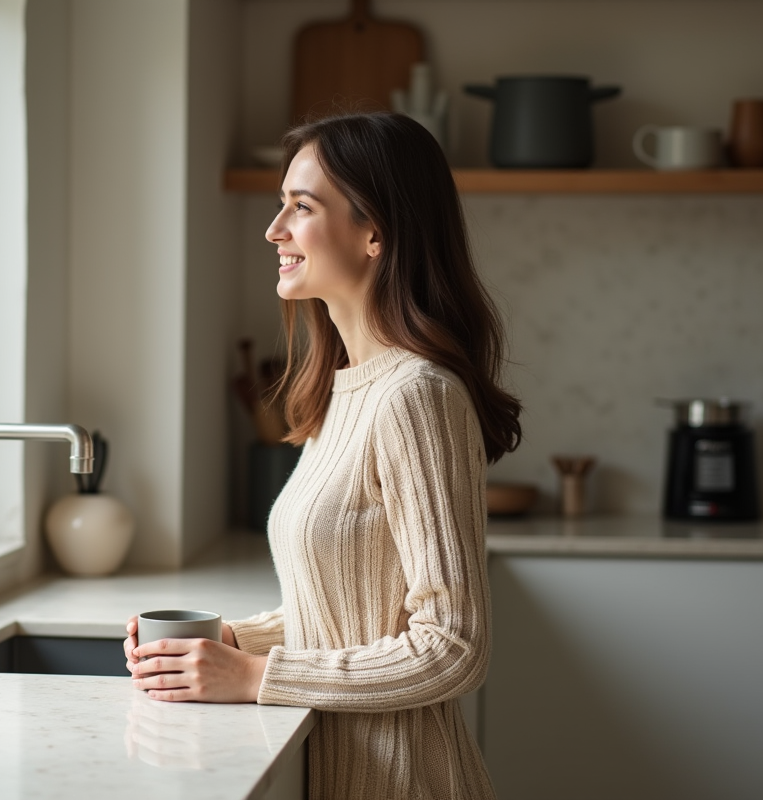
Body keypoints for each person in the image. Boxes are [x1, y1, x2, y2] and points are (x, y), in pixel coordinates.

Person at [125, 111, 522, 799]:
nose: (274, 229)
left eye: (301, 207)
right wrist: (230, 641)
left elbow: (453, 646)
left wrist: (256, 677)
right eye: (281, 204)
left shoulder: (416, 395)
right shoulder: (345, 391)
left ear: (376, 233)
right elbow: (351, 612)